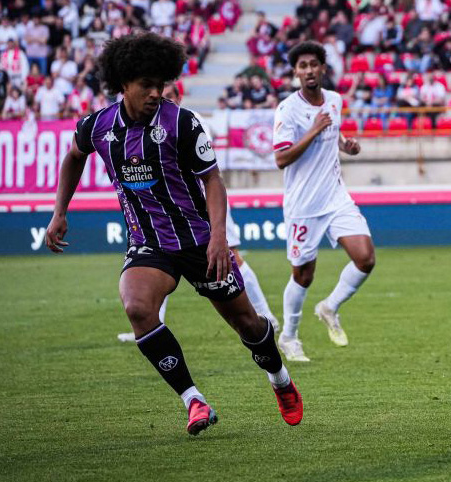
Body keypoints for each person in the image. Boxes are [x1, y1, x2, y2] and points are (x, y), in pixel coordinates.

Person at [44, 33, 302, 436]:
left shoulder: (182, 122)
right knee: (137, 309)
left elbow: (212, 179)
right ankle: (193, 400)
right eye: (145, 84)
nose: (155, 92)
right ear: (123, 84)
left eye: (160, 84)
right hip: (149, 244)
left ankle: (280, 380)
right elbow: (74, 156)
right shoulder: (98, 126)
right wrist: (60, 212)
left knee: (248, 325)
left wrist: (219, 236)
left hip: (200, 243)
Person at [117, 82, 280, 341]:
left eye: (169, 96)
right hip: (177, 209)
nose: (163, 101)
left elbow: (207, 171)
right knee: (162, 260)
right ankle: (154, 321)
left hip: (207, 203)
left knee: (232, 258)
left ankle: (265, 315)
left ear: (179, 96)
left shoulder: (190, 121)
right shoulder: (152, 125)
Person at [273, 41, 374, 362]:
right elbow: (281, 158)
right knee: (303, 275)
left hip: (336, 197)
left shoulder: (334, 100)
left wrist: (347, 146)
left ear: (323, 68)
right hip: (303, 205)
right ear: (295, 73)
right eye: (302, 66)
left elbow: (336, 135)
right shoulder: (287, 110)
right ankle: (289, 336)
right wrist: (313, 130)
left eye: (313, 64)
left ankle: (329, 306)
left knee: (366, 258)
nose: (308, 70)